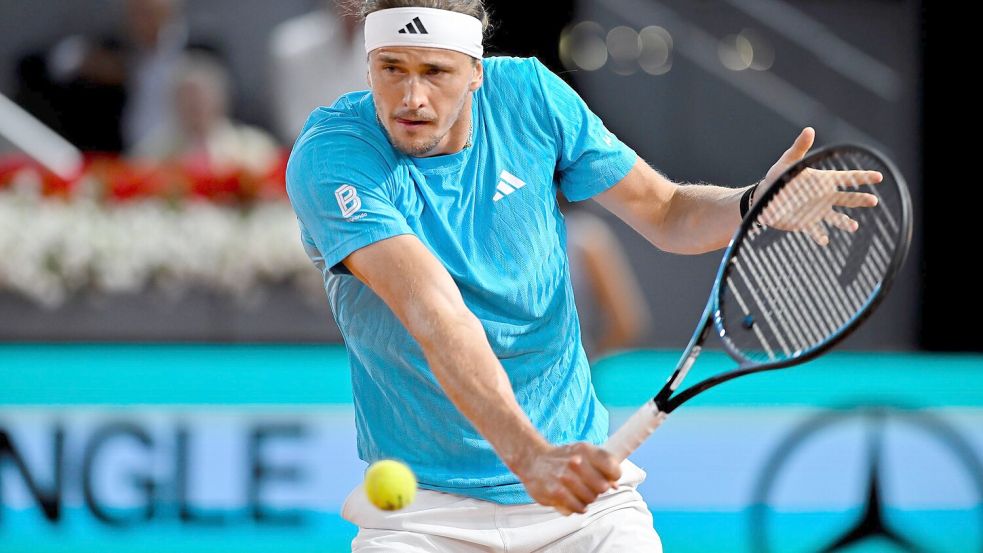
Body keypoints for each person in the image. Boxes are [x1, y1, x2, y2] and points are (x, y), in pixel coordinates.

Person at [285, 1, 879, 550]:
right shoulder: (334, 153)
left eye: (435, 72)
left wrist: (751, 204)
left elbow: (666, 211)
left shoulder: (530, 97)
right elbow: (435, 313)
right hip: (422, 514)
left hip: (585, 504)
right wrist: (529, 457)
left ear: (475, 73)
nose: (411, 97)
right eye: (391, 68)